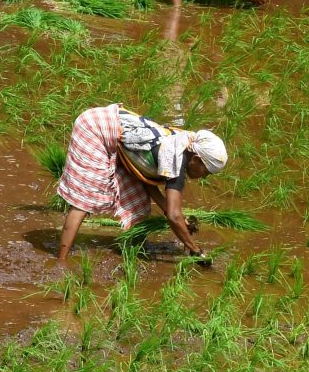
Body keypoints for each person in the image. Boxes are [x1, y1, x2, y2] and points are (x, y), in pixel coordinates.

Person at [56, 104, 228, 261]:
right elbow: (173, 216)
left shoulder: (185, 144)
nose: (204, 177)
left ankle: (131, 249)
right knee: (85, 201)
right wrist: (196, 251)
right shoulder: (175, 159)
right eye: (206, 171)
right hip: (94, 129)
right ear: (196, 159)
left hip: (116, 136)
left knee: (140, 203)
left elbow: (146, 180)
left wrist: (177, 217)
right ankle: (61, 261)